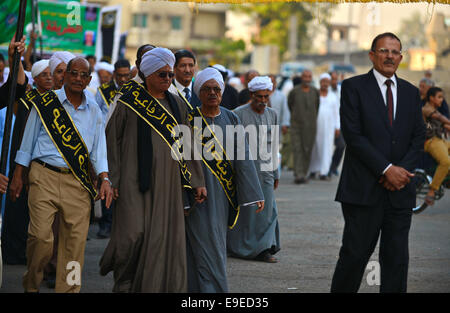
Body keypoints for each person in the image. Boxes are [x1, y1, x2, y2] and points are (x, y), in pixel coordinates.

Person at [99, 47, 206, 293]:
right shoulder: (127, 99)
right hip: (131, 179)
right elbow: (111, 140)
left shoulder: (178, 104)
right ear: (147, 74)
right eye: (162, 75)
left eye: (170, 75)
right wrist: (110, 179)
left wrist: (197, 180)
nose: (167, 79)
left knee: (161, 238)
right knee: (131, 235)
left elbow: (188, 145)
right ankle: (124, 281)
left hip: (168, 183)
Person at [331, 33, 425, 293]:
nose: (389, 56)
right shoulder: (353, 88)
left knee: (396, 261)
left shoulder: (410, 92)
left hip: (400, 192)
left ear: (401, 57)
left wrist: (400, 173)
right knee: (354, 257)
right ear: (372, 55)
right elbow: (353, 135)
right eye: (383, 51)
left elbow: (418, 137)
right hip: (363, 191)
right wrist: (386, 169)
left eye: (395, 52)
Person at [12, 56, 113, 293]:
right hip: (43, 176)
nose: (78, 78)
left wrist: (104, 178)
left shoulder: (95, 110)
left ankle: (68, 290)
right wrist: (19, 174)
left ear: (89, 79)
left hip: (78, 183)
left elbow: (99, 150)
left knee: (74, 248)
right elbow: (27, 143)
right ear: (65, 76)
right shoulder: (46, 103)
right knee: (40, 239)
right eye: (73, 73)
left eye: (83, 75)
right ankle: (32, 283)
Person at [184, 67, 264, 292]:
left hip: (223, 196)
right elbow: (181, 161)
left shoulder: (232, 118)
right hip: (197, 196)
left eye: (216, 89)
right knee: (201, 248)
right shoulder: (189, 119)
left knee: (215, 245)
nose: (212, 93)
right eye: (207, 89)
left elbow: (244, 158)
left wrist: (255, 193)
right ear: (199, 93)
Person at [2, 59, 53, 268]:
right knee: (17, 206)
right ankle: (12, 251)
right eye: (45, 74)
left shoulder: (55, 100)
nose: (49, 78)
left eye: (51, 74)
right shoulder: (27, 100)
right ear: (36, 78)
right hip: (22, 158)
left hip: (41, 162)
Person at [228, 76, 280, 263]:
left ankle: (264, 248)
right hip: (244, 170)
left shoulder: (272, 114)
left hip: (266, 169)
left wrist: (276, 172)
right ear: (251, 95)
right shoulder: (236, 114)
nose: (263, 101)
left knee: (267, 212)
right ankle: (239, 248)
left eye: (267, 96)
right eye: (260, 97)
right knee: (246, 213)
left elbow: (274, 145)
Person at [105, 44, 155, 126]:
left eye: (154, 60)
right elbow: (111, 127)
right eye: (146, 60)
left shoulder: (169, 90)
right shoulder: (124, 91)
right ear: (138, 63)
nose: (150, 64)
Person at [288, 69, 320, 184]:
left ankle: (304, 173)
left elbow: (317, 107)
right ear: (302, 78)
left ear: (311, 78)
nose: (307, 79)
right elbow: (290, 105)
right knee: (297, 149)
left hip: (311, 126)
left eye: (309, 77)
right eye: (305, 77)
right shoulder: (294, 92)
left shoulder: (315, 92)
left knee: (307, 149)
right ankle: (299, 174)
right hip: (296, 125)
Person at [421, 87, 450, 206]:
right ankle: (432, 191)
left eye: (442, 97)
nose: (442, 100)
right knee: (445, 162)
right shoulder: (427, 109)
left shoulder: (435, 109)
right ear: (431, 98)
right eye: (439, 97)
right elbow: (442, 119)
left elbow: (443, 124)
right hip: (430, 142)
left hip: (439, 140)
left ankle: (446, 178)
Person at [308, 73, 340, 180]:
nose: (325, 84)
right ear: (320, 82)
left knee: (327, 149)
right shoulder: (315, 94)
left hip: (329, 128)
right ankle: (313, 170)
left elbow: (336, 113)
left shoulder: (333, 96)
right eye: (323, 81)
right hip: (315, 126)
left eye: (327, 82)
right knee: (314, 148)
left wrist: (337, 127)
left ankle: (324, 172)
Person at [95, 59, 131, 123]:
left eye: (126, 75)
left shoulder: (133, 90)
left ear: (130, 74)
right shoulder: (103, 90)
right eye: (120, 75)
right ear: (114, 74)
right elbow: (94, 112)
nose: (123, 79)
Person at [268, 74, 290, 170]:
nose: (271, 84)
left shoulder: (281, 96)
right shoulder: (261, 95)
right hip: (262, 126)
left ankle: (274, 169)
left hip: (276, 126)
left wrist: (285, 124)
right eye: (269, 81)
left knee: (274, 149)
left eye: (273, 81)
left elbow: (285, 111)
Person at [329, 71, 346, 177]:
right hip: (326, 123)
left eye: (335, 79)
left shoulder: (341, 90)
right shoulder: (324, 91)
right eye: (332, 79)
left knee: (341, 145)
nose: (334, 82)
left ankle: (333, 166)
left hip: (339, 124)